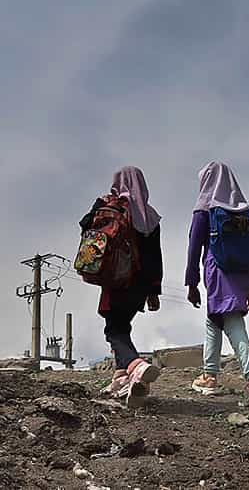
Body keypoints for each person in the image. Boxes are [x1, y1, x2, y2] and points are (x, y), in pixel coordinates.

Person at [185, 162, 249, 407]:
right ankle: (209, 376)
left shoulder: (204, 210)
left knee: (232, 321)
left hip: (219, 270)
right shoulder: (247, 211)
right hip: (243, 273)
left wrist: (191, 282)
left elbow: (194, 247)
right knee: (215, 318)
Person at [82, 166, 163, 408]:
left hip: (115, 281)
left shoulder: (111, 208)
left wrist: (99, 204)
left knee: (114, 331)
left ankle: (136, 366)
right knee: (122, 325)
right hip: (139, 285)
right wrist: (153, 291)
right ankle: (121, 378)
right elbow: (155, 257)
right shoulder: (150, 217)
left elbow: (85, 226)